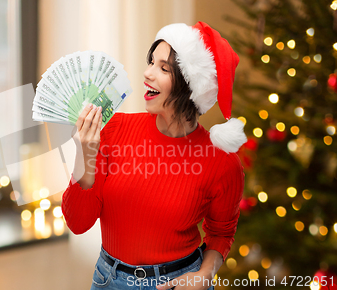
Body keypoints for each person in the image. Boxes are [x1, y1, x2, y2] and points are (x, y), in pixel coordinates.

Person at [61, 21, 247, 290]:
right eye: (150, 62)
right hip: (108, 280)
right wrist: (84, 156)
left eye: (163, 68)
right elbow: (78, 223)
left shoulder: (222, 162)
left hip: (178, 283)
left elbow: (221, 232)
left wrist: (205, 273)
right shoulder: (116, 128)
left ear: (191, 85)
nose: (147, 73)